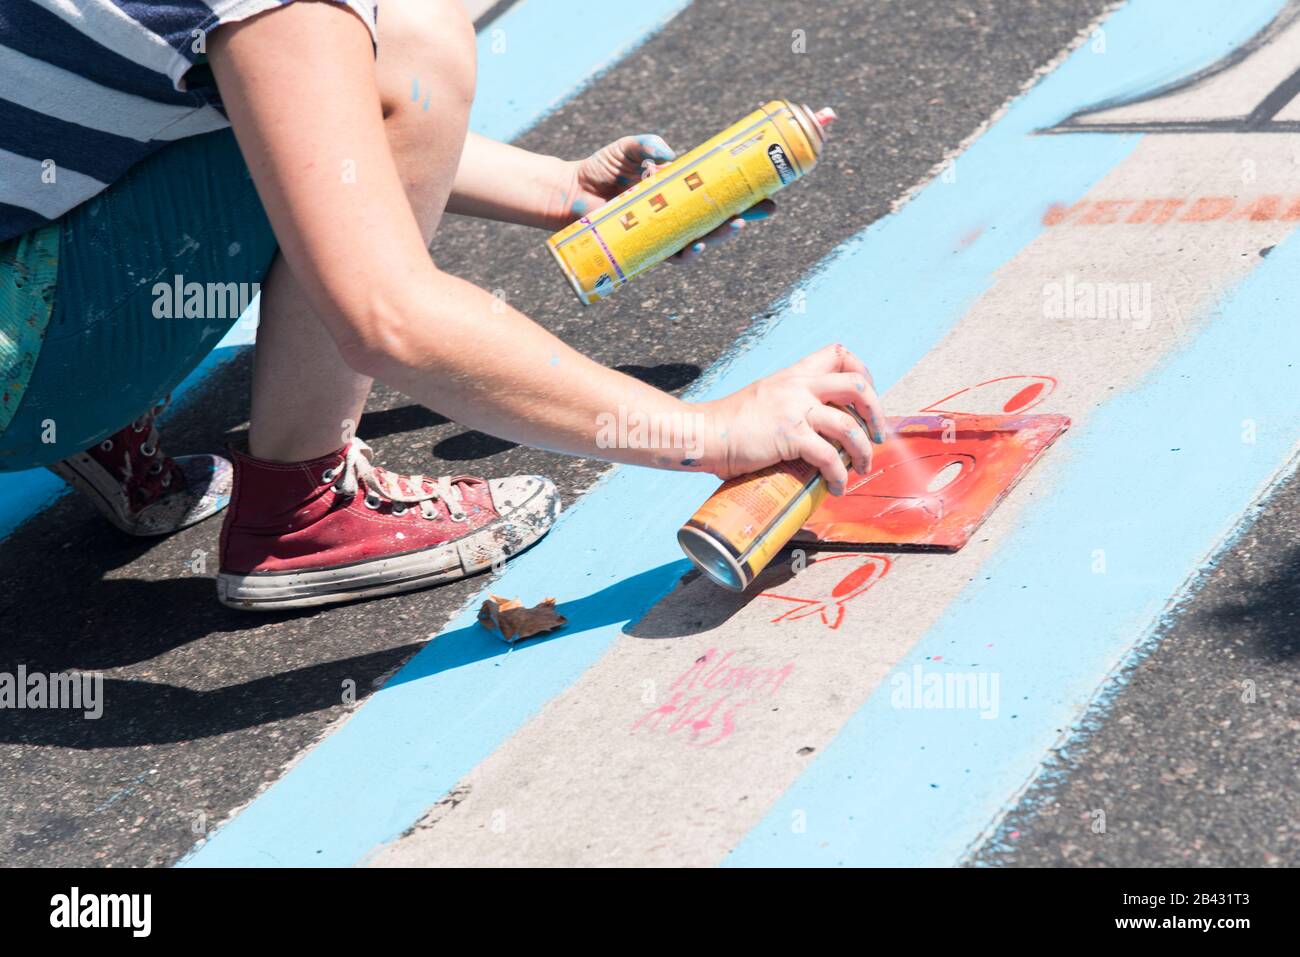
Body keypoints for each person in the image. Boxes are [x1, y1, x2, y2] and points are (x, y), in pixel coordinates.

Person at [0, 0, 883, 611]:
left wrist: (562, 188)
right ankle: (303, 509)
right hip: (28, 365)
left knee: (344, 55)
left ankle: (94, 404)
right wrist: (708, 434)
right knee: (418, 38)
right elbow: (385, 315)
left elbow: (292, 108)